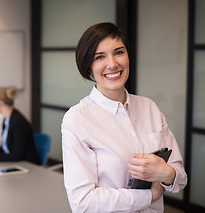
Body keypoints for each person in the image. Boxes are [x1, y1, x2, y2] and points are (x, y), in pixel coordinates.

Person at [61, 22, 187, 212]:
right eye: (100, 57)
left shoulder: (149, 107)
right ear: (88, 67)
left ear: (128, 56)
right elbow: (82, 202)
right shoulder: (77, 120)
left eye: (119, 52)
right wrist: (148, 196)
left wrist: (166, 173)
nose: (112, 64)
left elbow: (180, 176)